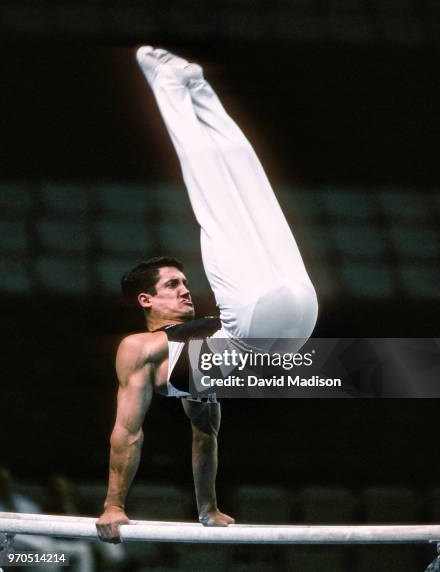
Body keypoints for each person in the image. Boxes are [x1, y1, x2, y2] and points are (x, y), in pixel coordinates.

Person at [96, 47, 318, 542]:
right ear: (145, 302)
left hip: (277, 314)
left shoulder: (193, 365)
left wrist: (208, 510)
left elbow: (205, 436)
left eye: (182, 281)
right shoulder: (141, 348)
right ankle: (169, 83)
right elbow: (127, 433)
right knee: (214, 202)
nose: (185, 288)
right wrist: (114, 505)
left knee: (255, 193)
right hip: (283, 325)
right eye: (171, 285)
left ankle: (198, 89)